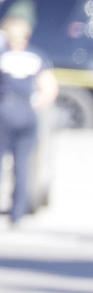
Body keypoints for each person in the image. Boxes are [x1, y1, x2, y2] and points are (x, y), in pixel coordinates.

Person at [0, 15, 57, 226]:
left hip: (4, 112)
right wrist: (34, 103)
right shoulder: (37, 56)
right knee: (22, 165)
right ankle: (17, 212)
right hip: (26, 113)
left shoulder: (3, 56)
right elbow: (49, 89)